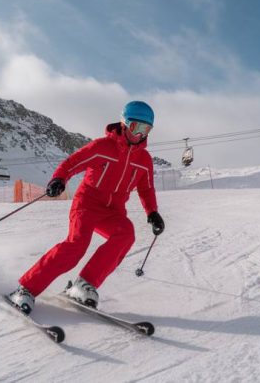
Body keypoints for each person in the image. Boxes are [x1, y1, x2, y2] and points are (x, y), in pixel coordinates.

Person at [9, 101, 165, 314]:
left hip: (113, 211)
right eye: (136, 127)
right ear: (125, 124)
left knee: (126, 234)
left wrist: (152, 212)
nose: (140, 134)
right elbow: (72, 163)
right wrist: (59, 179)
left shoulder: (144, 160)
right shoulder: (102, 147)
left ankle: (83, 285)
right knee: (77, 244)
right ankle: (25, 289)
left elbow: (146, 189)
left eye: (146, 129)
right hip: (87, 205)